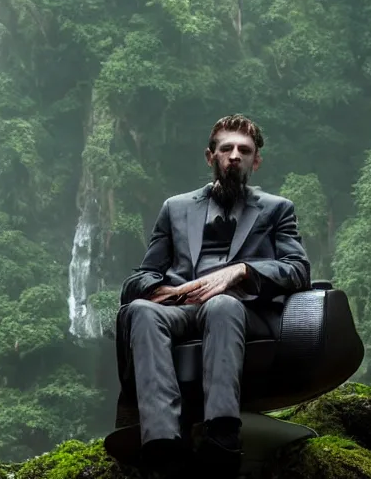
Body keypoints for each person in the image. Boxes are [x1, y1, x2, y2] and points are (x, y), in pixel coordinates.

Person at [115, 114, 311, 478]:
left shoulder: (277, 208)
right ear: (210, 157)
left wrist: (243, 271)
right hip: (180, 307)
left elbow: (298, 270)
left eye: (244, 150)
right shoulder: (175, 208)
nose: (235, 155)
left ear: (256, 161)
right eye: (227, 148)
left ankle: (222, 433)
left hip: (240, 310)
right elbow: (140, 276)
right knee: (141, 311)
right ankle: (161, 443)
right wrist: (162, 290)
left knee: (222, 303)